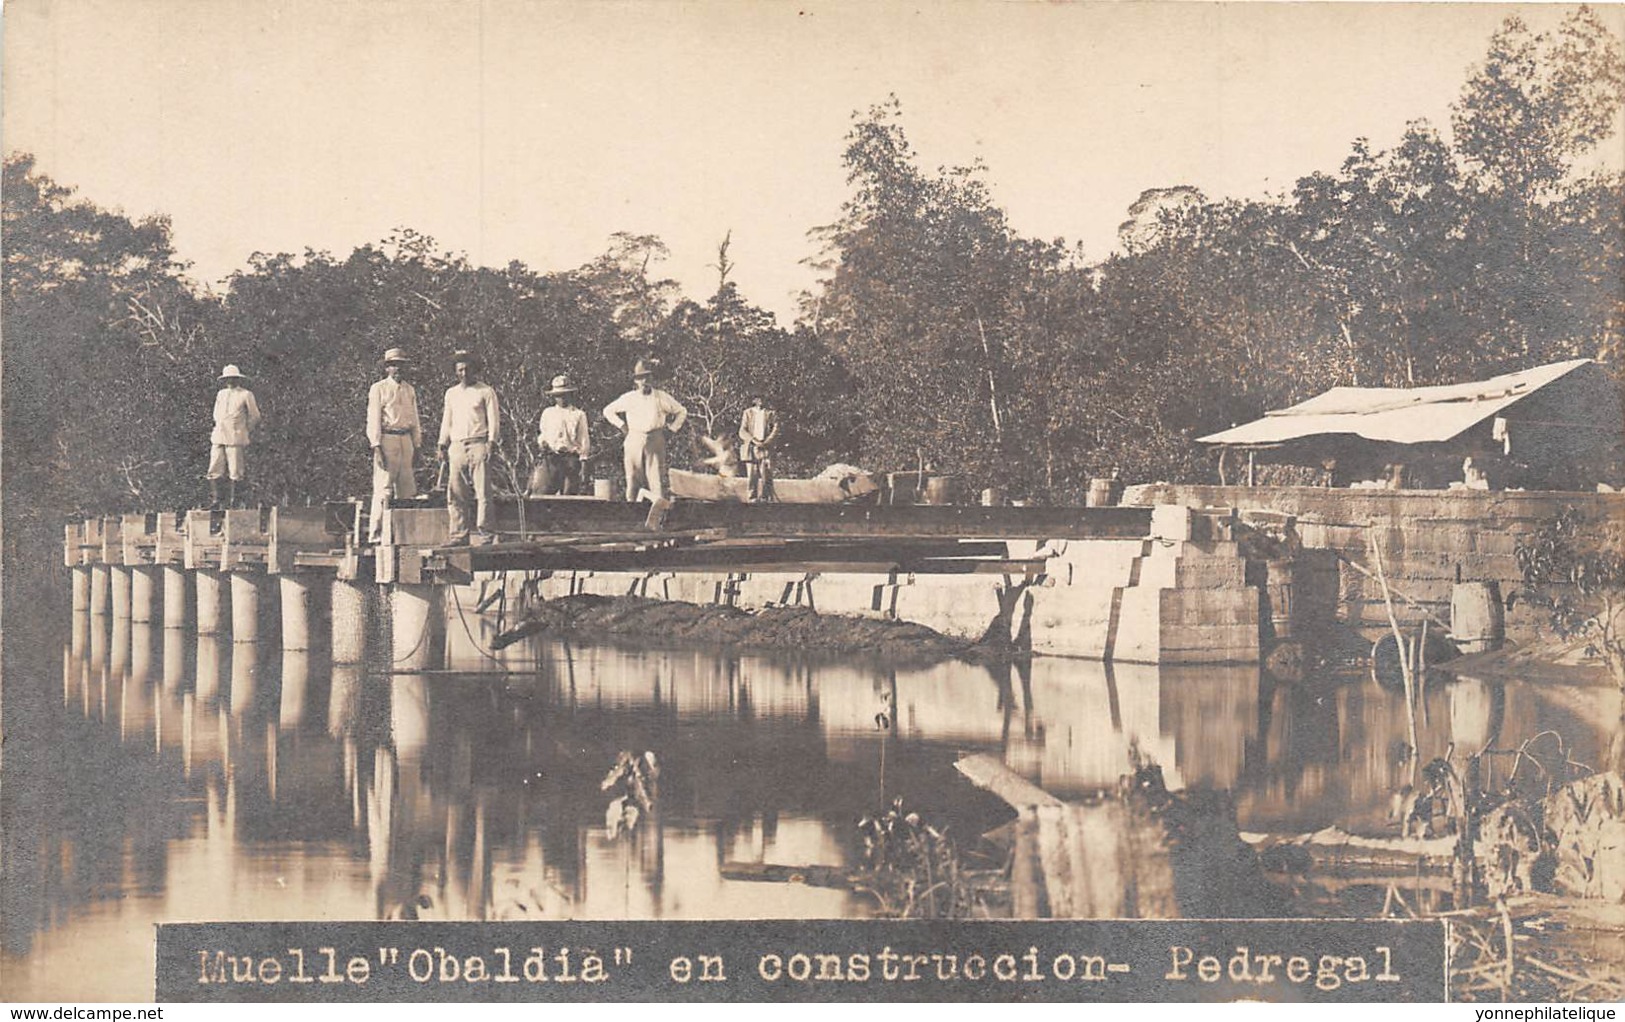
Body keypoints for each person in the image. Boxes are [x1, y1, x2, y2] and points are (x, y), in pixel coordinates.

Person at [437, 351, 501, 544]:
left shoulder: (485, 391)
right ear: (455, 372)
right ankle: (458, 534)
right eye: (460, 370)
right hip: (456, 446)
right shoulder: (451, 393)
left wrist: (491, 442)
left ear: (474, 370)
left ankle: (486, 534)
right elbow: (446, 421)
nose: (464, 373)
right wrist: (442, 444)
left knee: (483, 493)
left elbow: (494, 420)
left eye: (467, 369)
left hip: (478, 444)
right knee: (455, 493)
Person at [602, 359, 687, 502]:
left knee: (656, 480)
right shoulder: (629, 398)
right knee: (633, 479)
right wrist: (622, 426)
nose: (644, 381)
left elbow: (682, 411)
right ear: (636, 381)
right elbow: (608, 410)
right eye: (641, 378)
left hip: (655, 439)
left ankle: (656, 516)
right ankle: (632, 516)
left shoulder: (661, 396)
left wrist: (672, 429)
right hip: (634, 438)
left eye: (648, 377)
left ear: (652, 378)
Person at [365, 347, 423, 542]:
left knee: (407, 488)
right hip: (387, 439)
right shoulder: (378, 388)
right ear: (387, 368)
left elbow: (414, 419)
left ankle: (405, 534)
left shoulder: (409, 389)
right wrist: (376, 446)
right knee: (384, 487)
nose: (397, 369)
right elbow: (373, 418)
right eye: (393, 365)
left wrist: (417, 444)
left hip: (405, 439)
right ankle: (377, 534)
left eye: (400, 365)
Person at [207, 364, 261, 508]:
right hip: (219, 435)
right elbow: (216, 414)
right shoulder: (221, 394)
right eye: (227, 379)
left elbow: (255, 416)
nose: (230, 381)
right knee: (214, 468)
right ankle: (216, 500)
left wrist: (244, 429)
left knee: (236, 470)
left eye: (233, 378)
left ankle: (234, 502)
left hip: (235, 436)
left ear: (238, 379)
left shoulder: (246, 394)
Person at [534, 373, 591, 495]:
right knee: (543, 494)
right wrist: (542, 444)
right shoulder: (548, 413)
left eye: (565, 395)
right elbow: (543, 433)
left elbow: (584, 440)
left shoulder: (579, 414)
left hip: (570, 459)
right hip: (551, 459)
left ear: (570, 395)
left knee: (568, 498)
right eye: (558, 396)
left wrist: (583, 463)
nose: (561, 398)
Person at [738, 394, 779, 502]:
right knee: (752, 475)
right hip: (751, 448)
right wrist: (753, 440)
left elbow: (776, 429)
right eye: (758, 399)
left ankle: (765, 499)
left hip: (765, 448)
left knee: (766, 475)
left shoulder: (770, 413)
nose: (761, 401)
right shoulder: (748, 413)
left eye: (763, 398)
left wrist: (766, 442)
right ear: (754, 400)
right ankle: (752, 499)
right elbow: (742, 431)